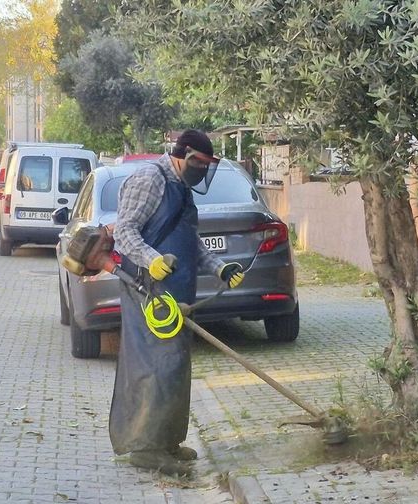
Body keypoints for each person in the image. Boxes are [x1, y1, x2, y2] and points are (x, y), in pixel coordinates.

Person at [111, 129, 246, 475]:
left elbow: (192, 242)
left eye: (207, 165)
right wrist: (151, 259)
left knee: (175, 366)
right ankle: (146, 448)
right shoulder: (149, 180)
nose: (202, 170)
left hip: (176, 292)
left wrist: (220, 268)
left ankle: (168, 441)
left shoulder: (183, 191)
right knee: (156, 366)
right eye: (199, 163)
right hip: (147, 290)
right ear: (183, 155)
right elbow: (125, 231)